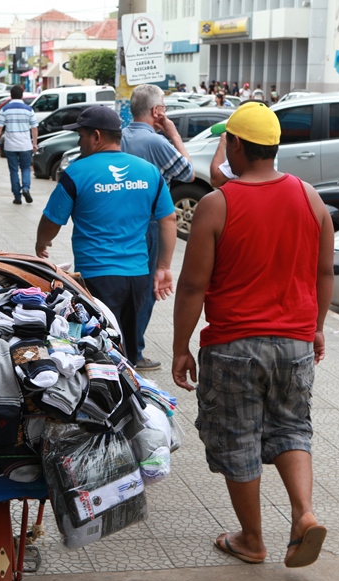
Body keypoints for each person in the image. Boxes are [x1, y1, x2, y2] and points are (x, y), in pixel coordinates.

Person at [171, 102, 334, 569]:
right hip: (296, 343)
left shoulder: (217, 204)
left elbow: (194, 285)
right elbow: (324, 271)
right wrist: (316, 328)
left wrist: (182, 346)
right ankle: (304, 514)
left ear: (237, 146)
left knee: (238, 436)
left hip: (234, 346)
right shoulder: (309, 197)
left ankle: (253, 539)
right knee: (291, 427)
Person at [35, 105, 178, 360]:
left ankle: (105, 390)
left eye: (81, 135)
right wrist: (163, 267)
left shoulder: (77, 172)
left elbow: (51, 220)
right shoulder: (149, 171)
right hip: (137, 276)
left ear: (97, 136)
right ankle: (131, 389)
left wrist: (41, 243)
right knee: (127, 345)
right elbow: (168, 218)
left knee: (99, 345)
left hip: (97, 276)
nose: (79, 142)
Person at [120, 84, 192, 372]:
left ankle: (119, 345)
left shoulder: (121, 136)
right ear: (157, 111)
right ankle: (134, 351)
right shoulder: (158, 142)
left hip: (121, 219)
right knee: (147, 288)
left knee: (124, 286)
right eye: (164, 105)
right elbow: (188, 171)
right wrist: (173, 133)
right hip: (150, 224)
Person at [0, 85, 38, 204]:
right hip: (25, 145)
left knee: (13, 171)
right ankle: (26, 188)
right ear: (22, 95)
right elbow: (34, 128)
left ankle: (17, 197)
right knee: (25, 168)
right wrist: (34, 143)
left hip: (10, 145)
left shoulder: (5, 109)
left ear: (11, 95)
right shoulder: (29, 109)